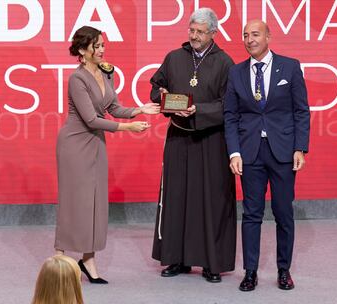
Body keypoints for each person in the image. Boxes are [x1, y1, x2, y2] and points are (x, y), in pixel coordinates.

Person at [54, 26, 160, 284]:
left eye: (102, 44)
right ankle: (59, 260)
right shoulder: (76, 79)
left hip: (96, 145)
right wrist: (128, 128)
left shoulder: (105, 73)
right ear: (82, 50)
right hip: (75, 145)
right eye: (96, 46)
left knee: (94, 203)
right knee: (74, 203)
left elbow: (112, 107)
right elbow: (91, 119)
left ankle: (87, 260)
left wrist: (140, 110)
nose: (101, 49)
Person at [150, 8, 237, 283]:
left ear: (213, 33)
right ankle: (177, 258)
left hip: (212, 140)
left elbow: (230, 106)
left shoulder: (225, 62)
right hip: (178, 138)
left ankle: (212, 263)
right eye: (192, 30)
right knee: (177, 198)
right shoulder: (174, 57)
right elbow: (156, 86)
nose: (194, 36)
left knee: (210, 202)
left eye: (200, 31)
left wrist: (199, 109)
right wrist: (161, 94)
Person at [224, 20, 310, 291]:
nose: (249, 39)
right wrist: (234, 152)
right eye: (245, 35)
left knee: (284, 213)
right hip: (250, 152)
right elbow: (230, 115)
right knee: (251, 214)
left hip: (283, 151)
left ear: (269, 36)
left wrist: (300, 147)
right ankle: (250, 272)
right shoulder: (236, 73)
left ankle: (283, 270)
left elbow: (301, 111)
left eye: (255, 34)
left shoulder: (291, 66)